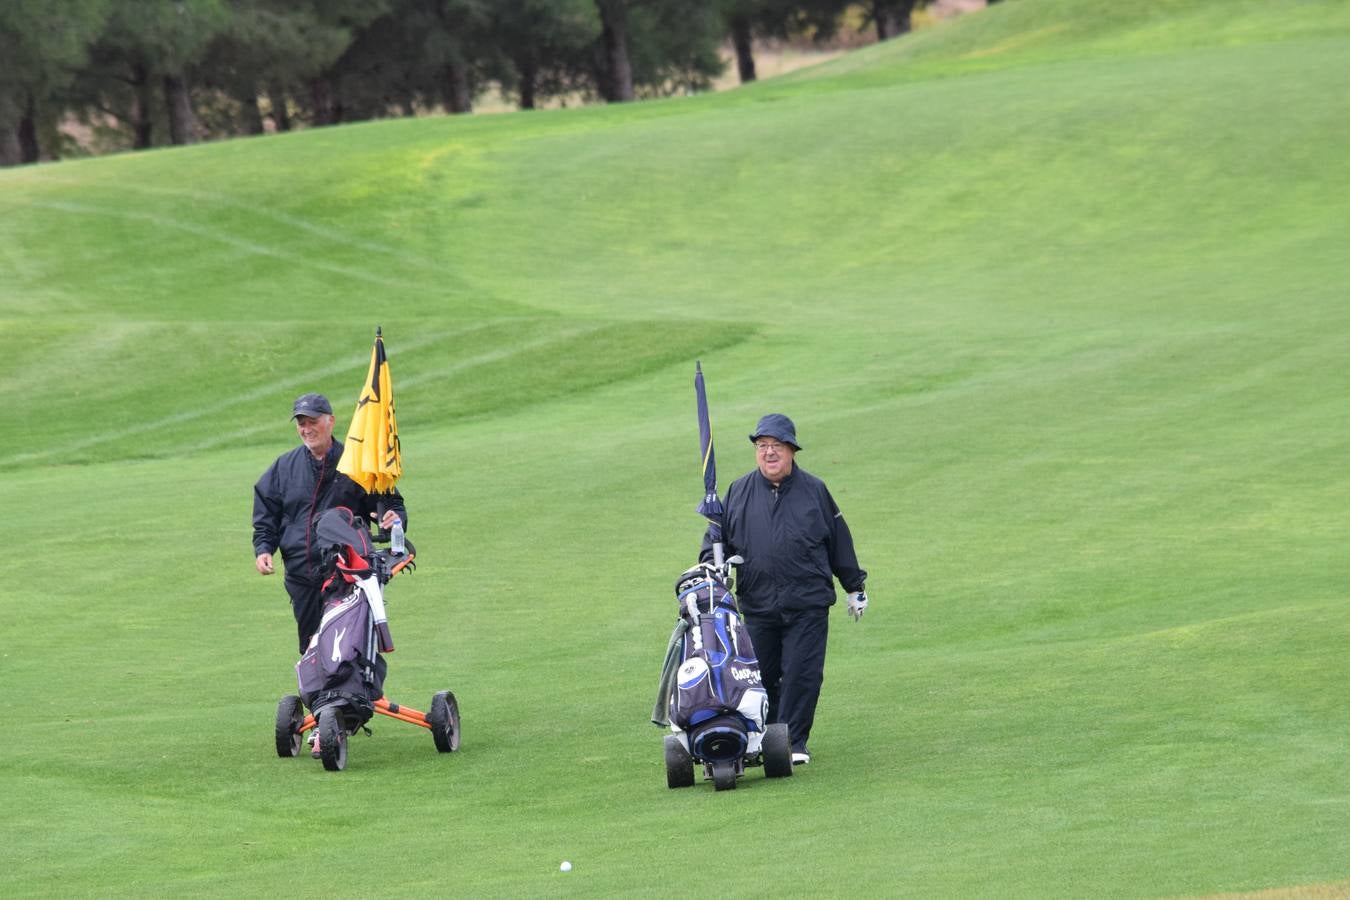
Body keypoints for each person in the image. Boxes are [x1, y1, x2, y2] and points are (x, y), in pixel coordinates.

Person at [700, 413, 868, 766]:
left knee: (801, 674)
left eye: (777, 446)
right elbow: (717, 541)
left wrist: (854, 586)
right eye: (762, 446)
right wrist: (711, 563)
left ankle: (792, 741)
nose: (769, 453)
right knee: (758, 676)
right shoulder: (738, 491)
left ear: (792, 450)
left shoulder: (814, 491)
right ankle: (764, 739)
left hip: (807, 602)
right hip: (758, 603)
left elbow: (839, 541)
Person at [253, 392, 407, 654]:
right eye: (301, 423)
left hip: (346, 574)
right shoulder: (284, 467)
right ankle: (319, 697)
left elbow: (391, 506)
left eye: (313, 421)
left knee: (347, 646)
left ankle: (355, 695)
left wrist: (394, 521)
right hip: (301, 575)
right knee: (311, 647)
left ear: (331, 421)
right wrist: (264, 548)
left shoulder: (356, 465)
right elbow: (267, 511)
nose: (306, 429)